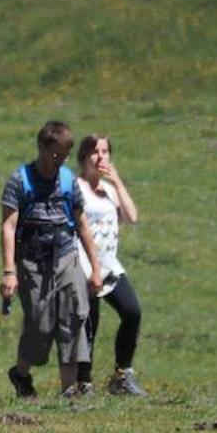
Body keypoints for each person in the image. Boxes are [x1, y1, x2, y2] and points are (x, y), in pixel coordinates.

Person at [0, 120, 103, 397]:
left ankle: (69, 390)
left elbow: (82, 226)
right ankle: (21, 375)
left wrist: (95, 269)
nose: (60, 160)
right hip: (33, 262)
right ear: (42, 148)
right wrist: (9, 272)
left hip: (66, 257)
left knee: (74, 317)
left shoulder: (69, 181)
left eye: (65, 155)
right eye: (55, 154)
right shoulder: (20, 180)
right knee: (39, 325)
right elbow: (8, 227)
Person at [74, 134, 145, 396]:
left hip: (109, 265)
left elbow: (132, 216)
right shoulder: (76, 187)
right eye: (94, 152)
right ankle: (83, 383)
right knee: (89, 322)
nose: (100, 157)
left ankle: (121, 375)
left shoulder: (111, 190)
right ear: (83, 157)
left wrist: (116, 181)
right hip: (82, 264)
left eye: (105, 151)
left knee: (132, 312)